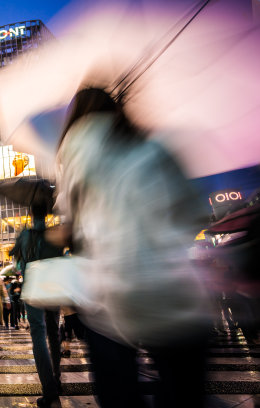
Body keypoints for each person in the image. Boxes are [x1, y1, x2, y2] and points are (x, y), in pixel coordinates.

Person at [54, 87, 211, 408]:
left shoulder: (72, 160)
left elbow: (71, 230)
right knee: (183, 394)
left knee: (119, 396)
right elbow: (194, 213)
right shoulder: (154, 148)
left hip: (112, 301)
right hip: (176, 291)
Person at [10, 201, 65, 408]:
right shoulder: (56, 233)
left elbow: (15, 256)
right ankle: (57, 378)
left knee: (39, 335)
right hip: (54, 284)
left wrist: (23, 240)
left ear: (31, 213)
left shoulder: (25, 234)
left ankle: (50, 392)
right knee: (54, 332)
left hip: (33, 283)